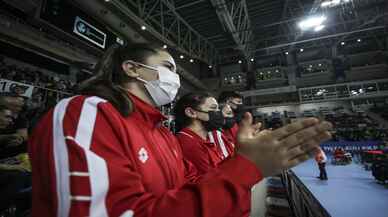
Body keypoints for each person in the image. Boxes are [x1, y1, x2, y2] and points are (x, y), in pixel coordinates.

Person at [29, 43, 333, 217]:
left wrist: (247, 160)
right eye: (169, 67)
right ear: (132, 68)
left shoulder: (162, 132)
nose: (175, 77)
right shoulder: (87, 112)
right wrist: (246, 168)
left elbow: (185, 194)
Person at [174, 92, 234, 174]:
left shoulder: (205, 139)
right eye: (213, 108)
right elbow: (213, 179)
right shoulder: (188, 143)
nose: (220, 114)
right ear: (191, 112)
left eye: (218, 109)